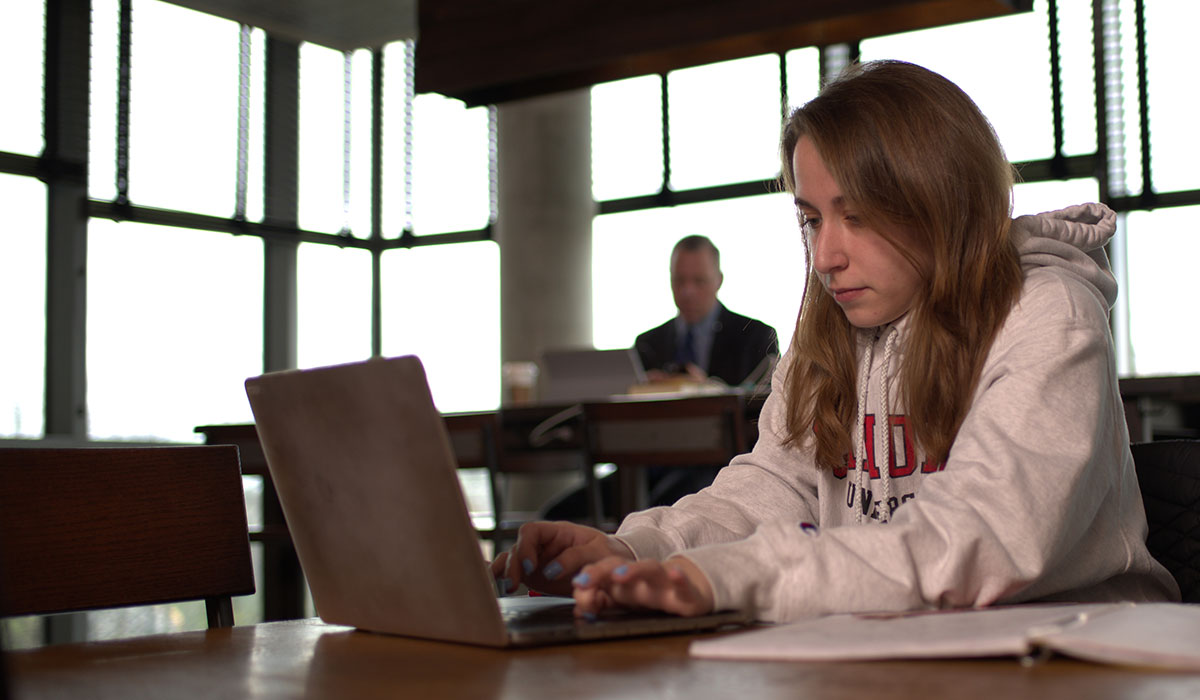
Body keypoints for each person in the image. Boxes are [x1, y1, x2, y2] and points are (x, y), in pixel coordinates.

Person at [492, 60, 1180, 621]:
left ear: (939, 201)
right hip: (909, 654)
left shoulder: (1046, 314)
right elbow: (770, 489)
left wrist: (735, 575)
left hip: (1077, 660)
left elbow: (981, 540)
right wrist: (636, 548)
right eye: (813, 219)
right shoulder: (834, 331)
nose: (825, 256)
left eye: (856, 216)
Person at [635, 235, 778, 388]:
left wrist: (708, 389)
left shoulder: (756, 338)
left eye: (699, 281)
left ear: (719, 280)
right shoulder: (646, 345)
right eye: (679, 280)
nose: (687, 292)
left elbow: (769, 405)